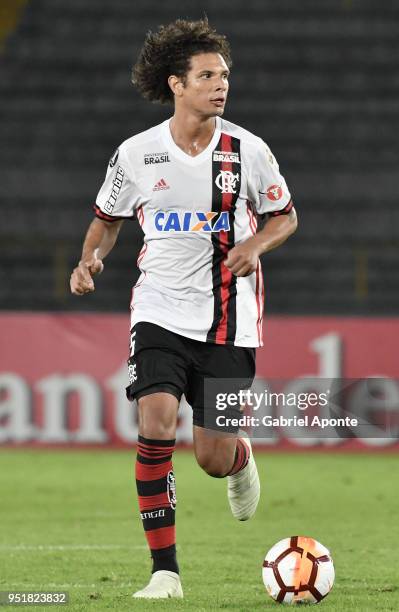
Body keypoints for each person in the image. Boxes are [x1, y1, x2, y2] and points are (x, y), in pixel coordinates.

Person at [70, 17, 298, 600]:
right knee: (154, 425)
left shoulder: (249, 150)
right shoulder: (137, 153)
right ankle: (165, 573)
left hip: (229, 318)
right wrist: (89, 260)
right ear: (176, 83)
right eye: (206, 76)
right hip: (159, 310)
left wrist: (255, 244)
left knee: (211, 459)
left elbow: (285, 216)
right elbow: (105, 222)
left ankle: (239, 456)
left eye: (223, 75)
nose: (220, 85)